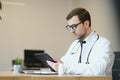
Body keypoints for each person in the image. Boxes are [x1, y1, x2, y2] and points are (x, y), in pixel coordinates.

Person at [47, 8, 114, 75]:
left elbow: (97, 70)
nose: (72, 31)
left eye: (74, 26)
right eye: (69, 27)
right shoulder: (75, 44)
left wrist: (64, 67)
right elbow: (64, 63)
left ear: (86, 24)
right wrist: (58, 64)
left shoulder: (103, 44)